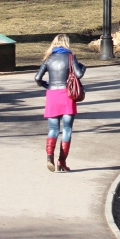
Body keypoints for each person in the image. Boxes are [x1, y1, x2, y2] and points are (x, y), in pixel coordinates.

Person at [34, 34, 86, 172]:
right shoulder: (70, 56)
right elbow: (79, 74)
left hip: (52, 95)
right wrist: (83, 67)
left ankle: (49, 156)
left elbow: (37, 78)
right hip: (67, 95)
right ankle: (61, 161)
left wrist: (47, 85)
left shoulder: (48, 58)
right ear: (66, 43)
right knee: (67, 129)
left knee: (53, 129)